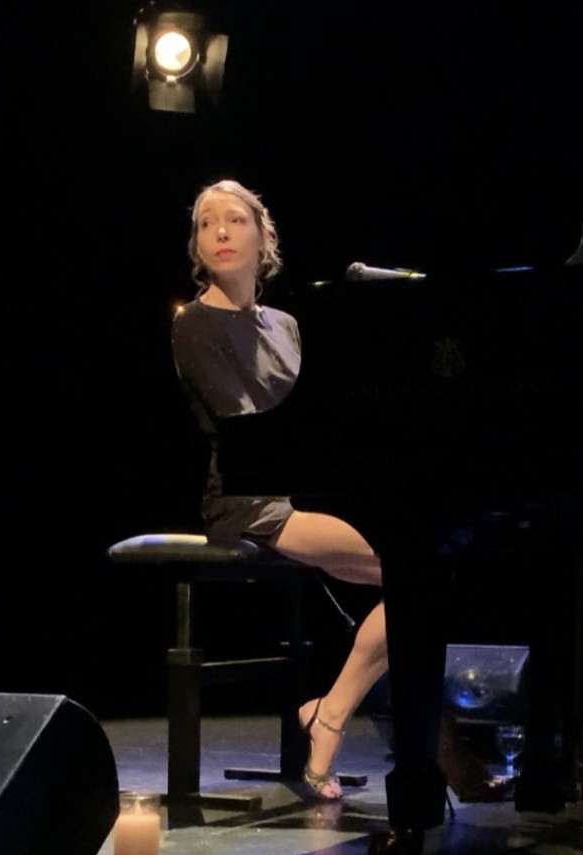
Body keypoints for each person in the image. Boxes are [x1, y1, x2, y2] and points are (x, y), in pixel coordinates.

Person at [170, 177, 495, 805]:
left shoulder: (288, 324)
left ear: (263, 236)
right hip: (247, 499)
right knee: (414, 573)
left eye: (234, 220)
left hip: (308, 487)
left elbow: (325, 408)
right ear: (198, 246)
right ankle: (343, 721)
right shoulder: (193, 324)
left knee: (426, 568)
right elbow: (246, 421)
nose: (220, 232)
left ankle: (330, 713)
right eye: (207, 223)